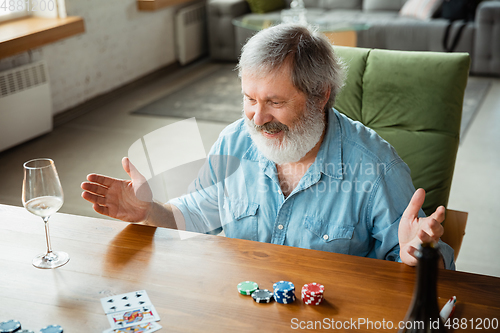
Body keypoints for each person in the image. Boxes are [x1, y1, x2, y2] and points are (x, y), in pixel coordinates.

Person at [81, 24, 455, 269]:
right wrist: (150, 211)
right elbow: (198, 213)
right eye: (249, 99)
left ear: (320, 96)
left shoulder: (376, 167)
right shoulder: (235, 139)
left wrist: (420, 256)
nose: (257, 119)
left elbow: (426, 262)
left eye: (275, 102)